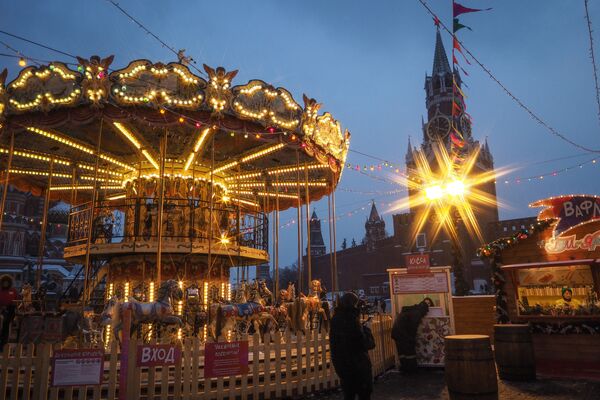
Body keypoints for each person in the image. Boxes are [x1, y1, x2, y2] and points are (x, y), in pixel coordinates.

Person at [330, 292, 376, 400]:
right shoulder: (352, 321)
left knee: (349, 395)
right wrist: (367, 330)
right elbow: (365, 344)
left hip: (342, 366)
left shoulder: (335, 320)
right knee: (364, 394)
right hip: (358, 367)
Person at [391, 299, 429, 374]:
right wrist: (411, 339)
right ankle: (411, 369)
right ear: (424, 309)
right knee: (409, 352)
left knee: (402, 352)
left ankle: (405, 368)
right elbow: (412, 327)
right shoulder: (417, 313)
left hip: (396, 332)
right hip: (402, 333)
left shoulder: (411, 310)